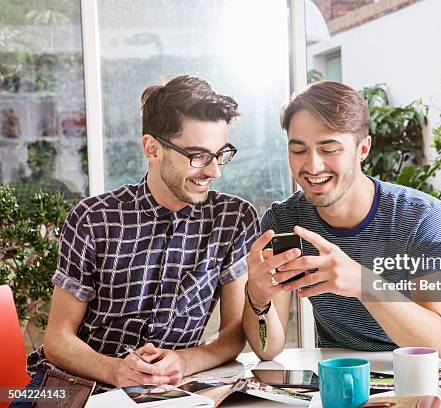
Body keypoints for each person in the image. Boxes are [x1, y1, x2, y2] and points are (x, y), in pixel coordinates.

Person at [14, 75, 258, 406]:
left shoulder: (234, 219)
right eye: (198, 155)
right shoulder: (93, 219)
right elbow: (58, 339)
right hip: (76, 385)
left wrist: (185, 360)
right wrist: (116, 371)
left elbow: (233, 333)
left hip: (168, 392)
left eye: (221, 154)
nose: (214, 171)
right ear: (152, 149)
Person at [242, 81, 441, 360]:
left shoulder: (423, 216)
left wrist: (362, 282)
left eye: (329, 149)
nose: (313, 166)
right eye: (298, 150)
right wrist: (257, 299)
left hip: (418, 376)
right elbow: (268, 349)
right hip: (339, 376)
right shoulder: (284, 220)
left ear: (362, 149)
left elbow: (440, 345)